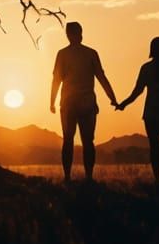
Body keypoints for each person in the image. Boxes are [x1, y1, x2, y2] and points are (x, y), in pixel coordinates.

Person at [49, 21, 117, 180]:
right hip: (86, 104)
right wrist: (112, 98)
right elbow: (101, 77)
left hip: (69, 104)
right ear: (80, 33)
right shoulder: (91, 53)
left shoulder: (63, 54)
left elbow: (56, 80)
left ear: (68, 35)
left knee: (68, 140)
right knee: (88, 141)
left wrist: (51, 101)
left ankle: (68, 177)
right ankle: (88, 177)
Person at [115, 36, 159, 183]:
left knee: (155, 147)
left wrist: (124, 104)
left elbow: (137, 91)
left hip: (153, 111)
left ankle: (158, 179)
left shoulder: (147, 68)